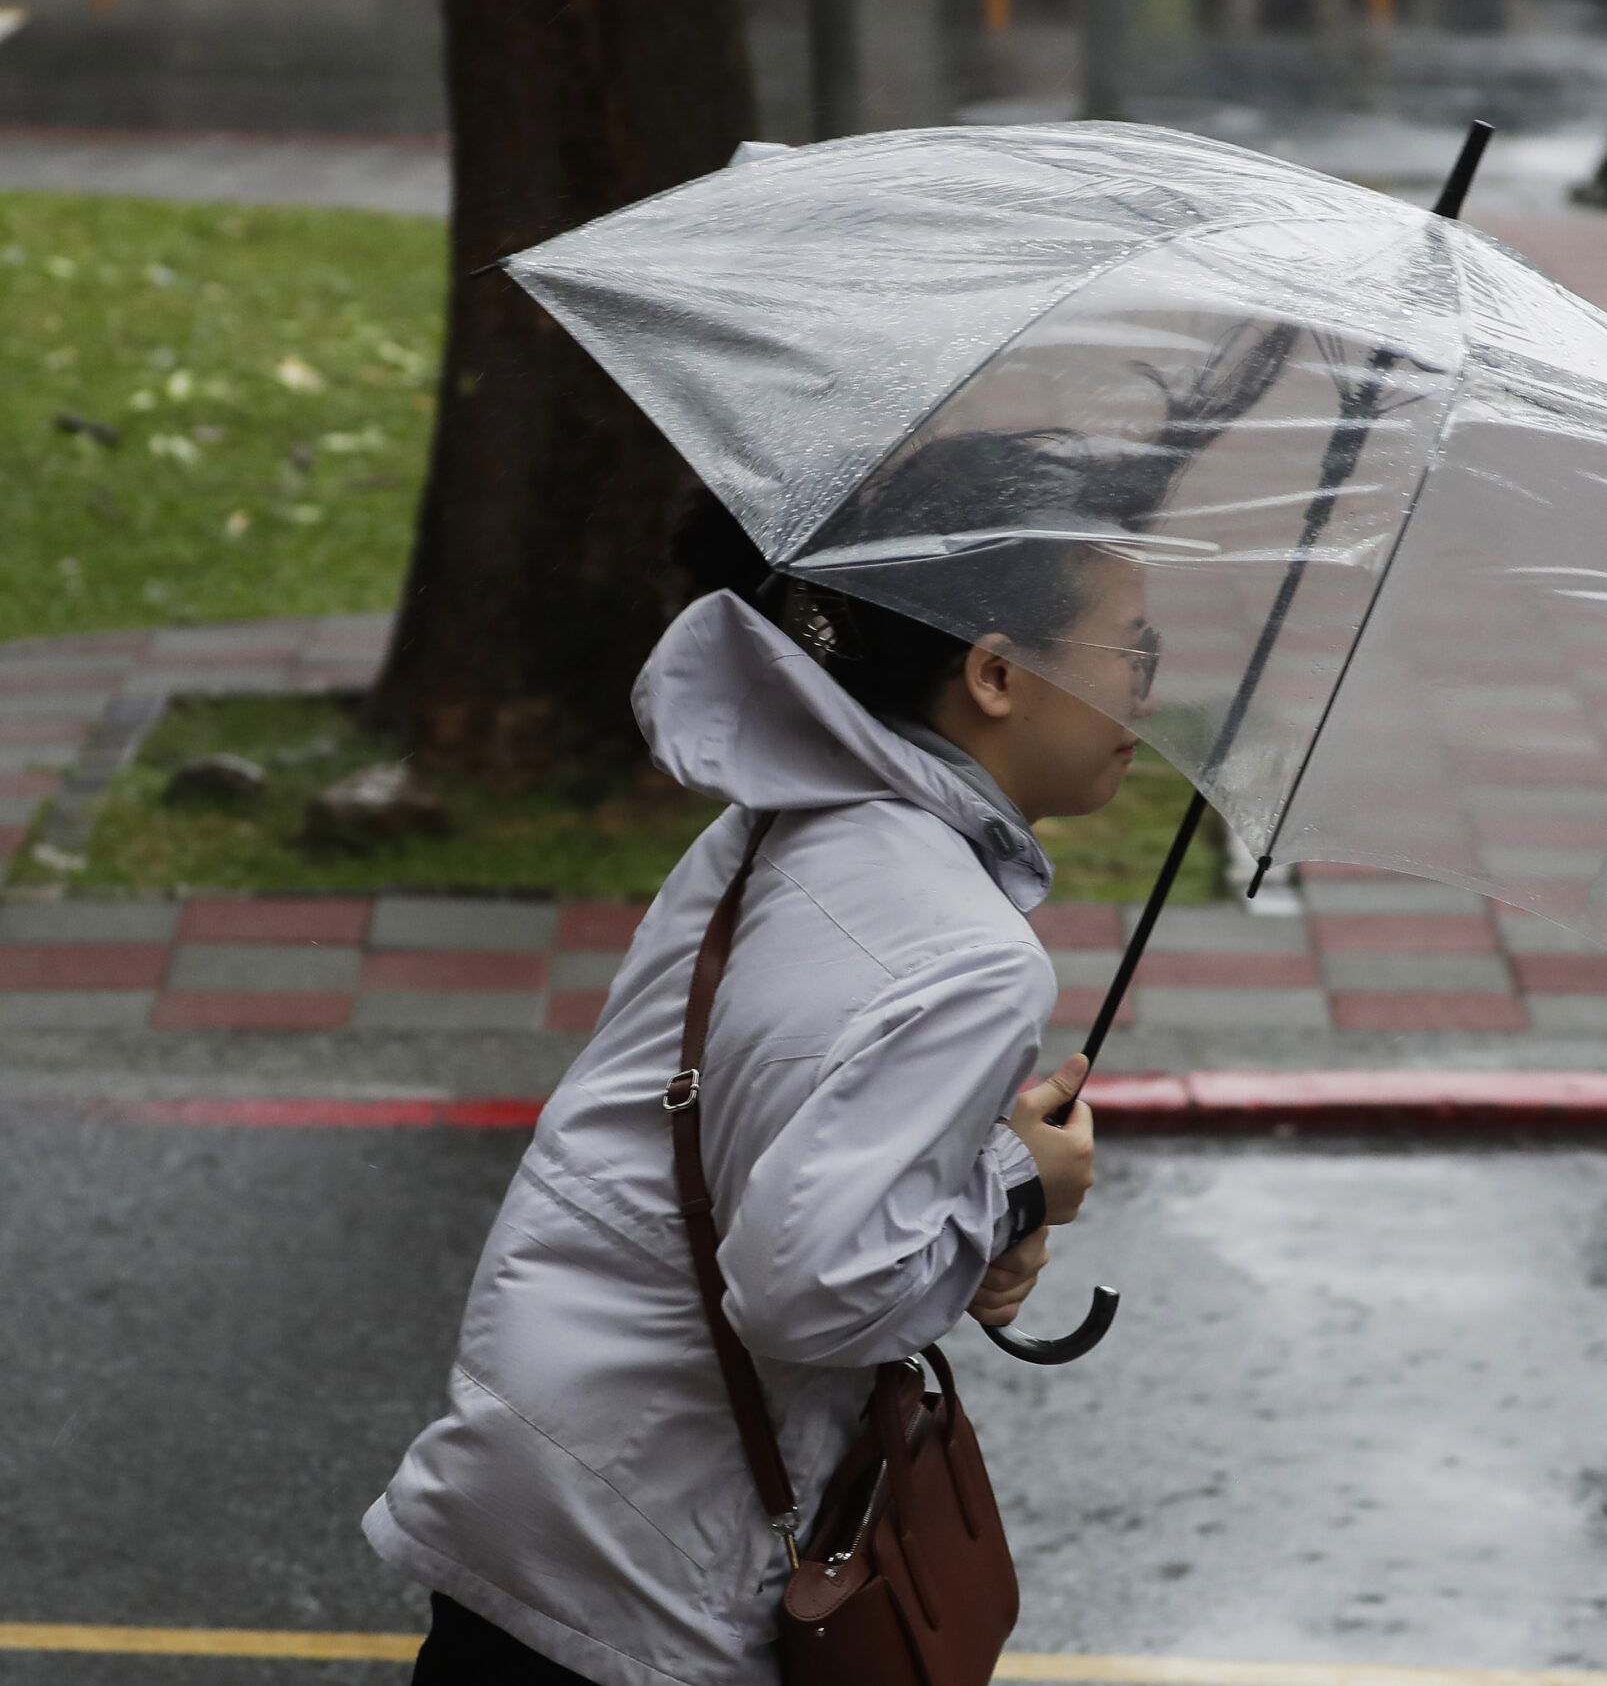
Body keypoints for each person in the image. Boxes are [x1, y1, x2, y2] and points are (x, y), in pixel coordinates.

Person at [366, 441, 1169, 1686]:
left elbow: (738, 1135)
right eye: (1133, 650)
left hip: (535, 1468)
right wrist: (1016, 1187)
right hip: (652, 1563)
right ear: (997, 673)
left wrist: (966, 1190)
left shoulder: (778, 816)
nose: (1147, 695)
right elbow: (812, 1290)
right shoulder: (972, 953)